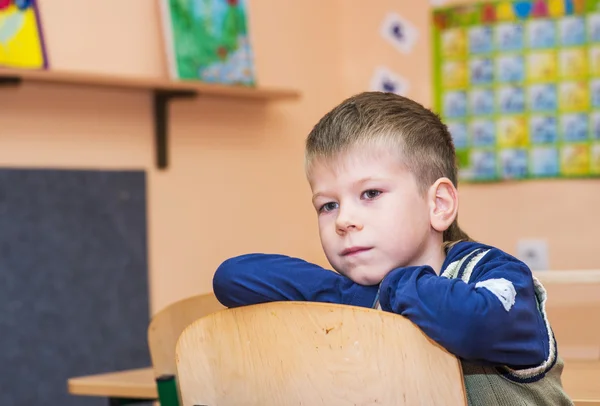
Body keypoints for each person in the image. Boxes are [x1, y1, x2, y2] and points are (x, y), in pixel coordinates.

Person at [212, 92, 573, 405]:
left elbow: (474, 323)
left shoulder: (494, 275)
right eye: (328, 205)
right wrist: (347, 293)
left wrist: (391, 287)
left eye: (370, 194)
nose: (344, 220)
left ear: (439, 204)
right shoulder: (359, 295)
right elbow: (234, 278)